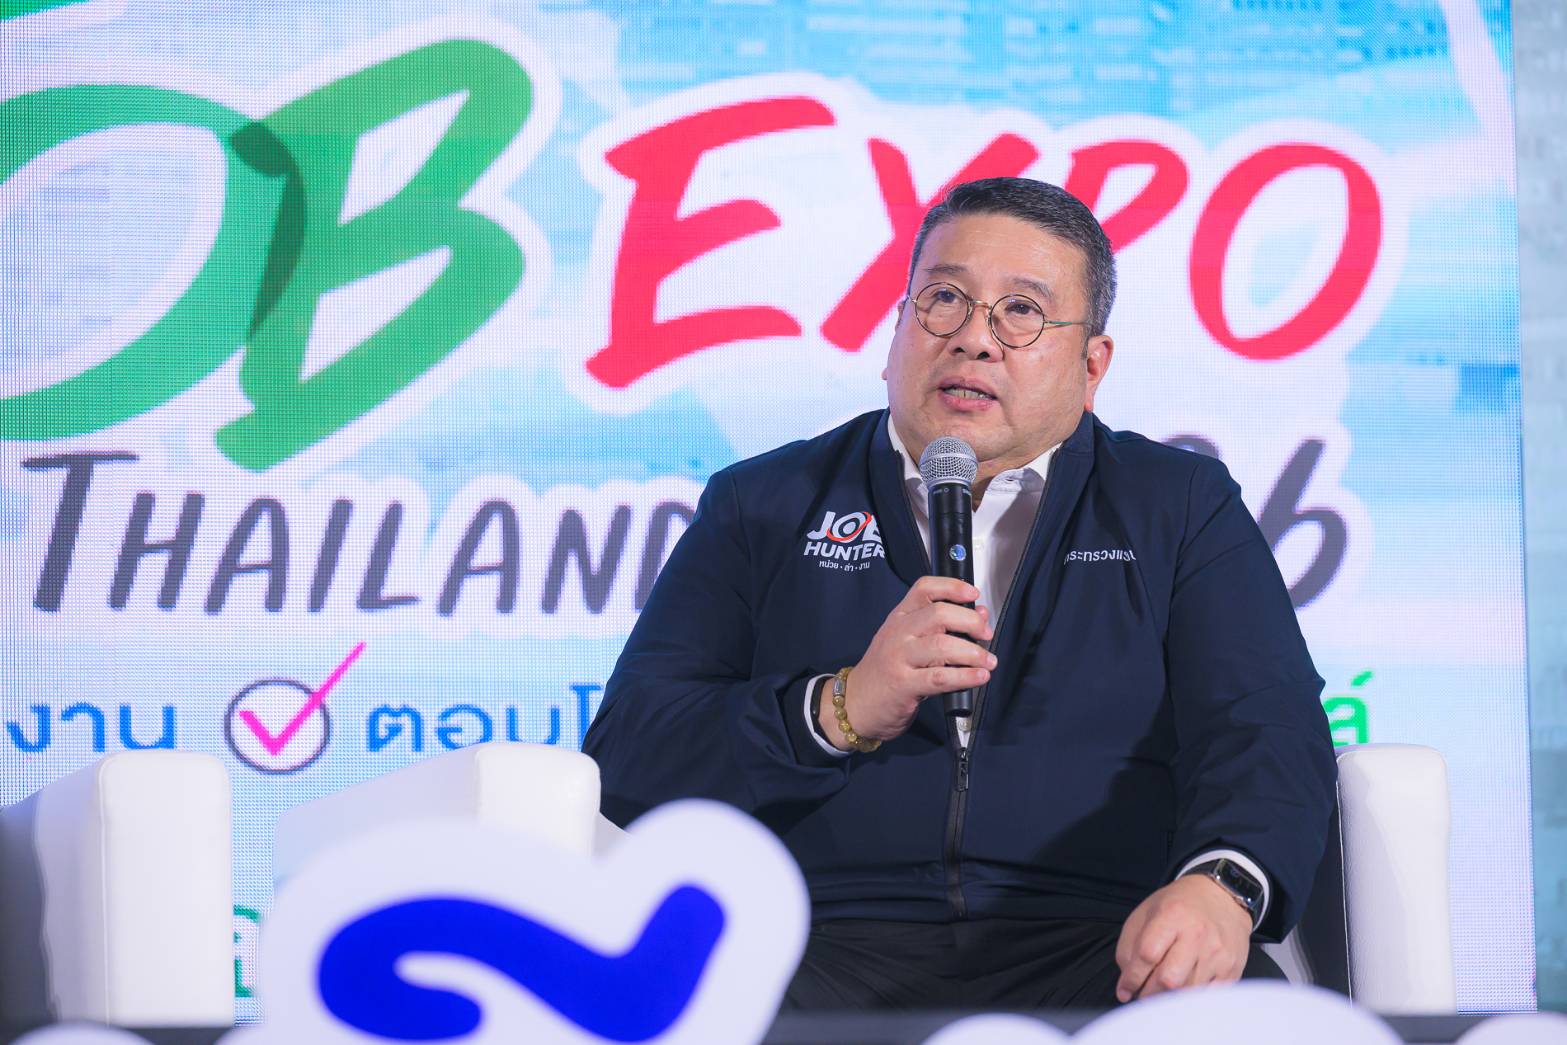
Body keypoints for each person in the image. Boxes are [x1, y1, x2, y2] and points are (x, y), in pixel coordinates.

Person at [582, 177, 1337, 1009]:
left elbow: (1266, 724)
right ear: (895, 331)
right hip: (811, 943)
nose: (974, 339)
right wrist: (835, 708)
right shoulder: (763, 503)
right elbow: (630, 751)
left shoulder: (1178, 506)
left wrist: (1221, 884)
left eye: (1021, 312)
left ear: (1091, 366)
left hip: (1102, 941)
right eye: (943, 299)